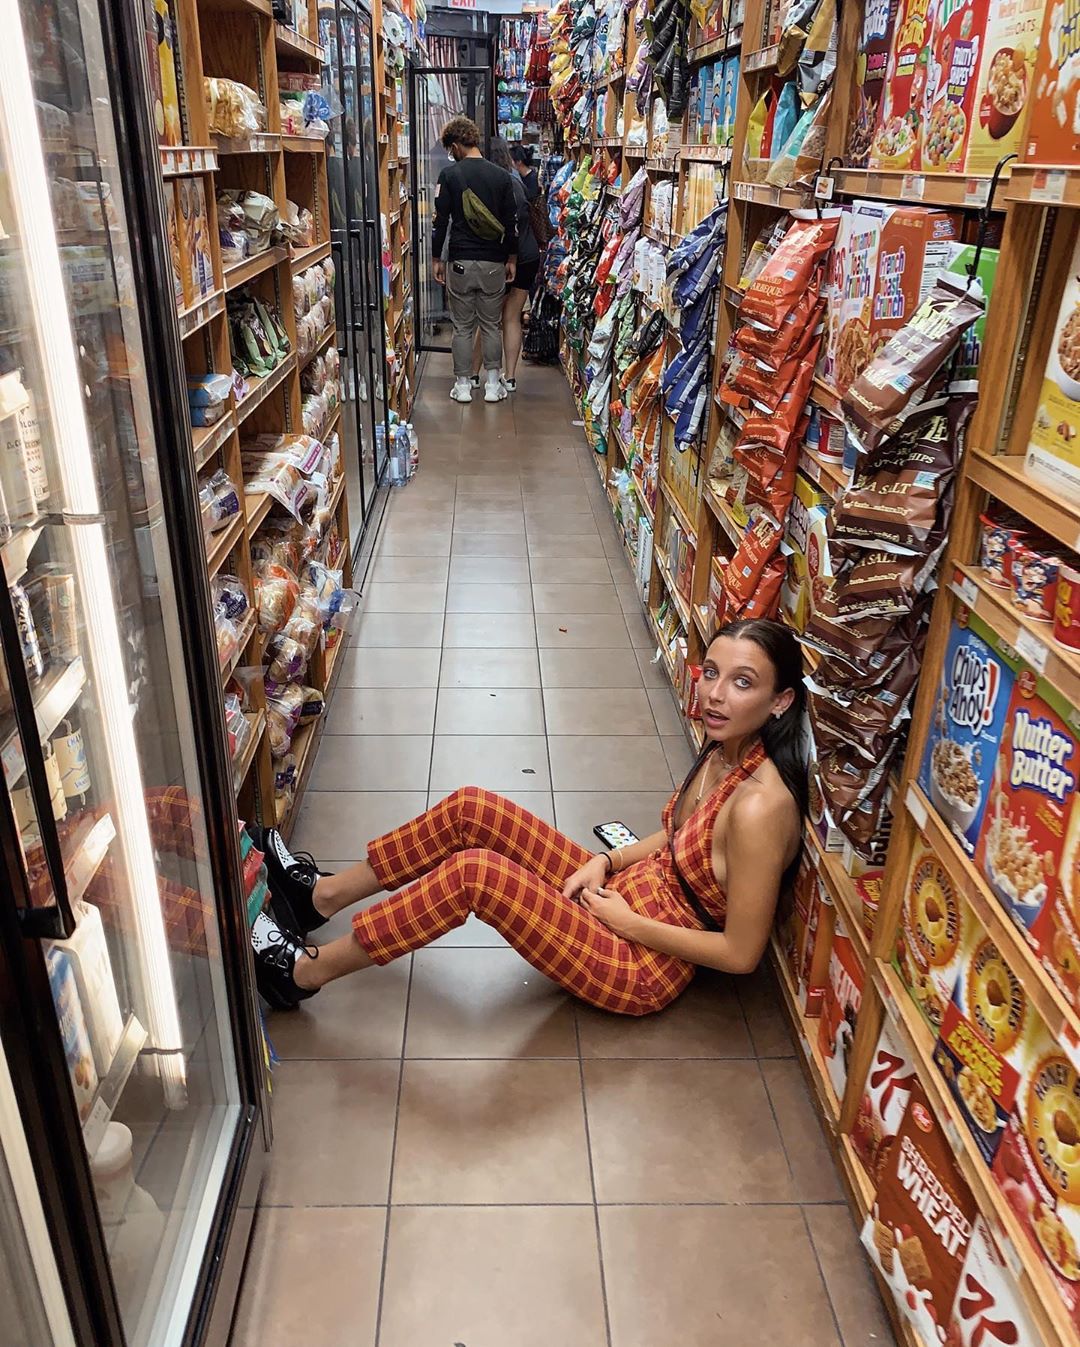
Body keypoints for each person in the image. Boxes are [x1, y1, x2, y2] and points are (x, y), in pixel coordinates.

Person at [249, 619, 806, 1015]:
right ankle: (319, 897)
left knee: (475, 876)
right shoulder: (727, 749)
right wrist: (607, 861)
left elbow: (741, 954)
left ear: (780, 701)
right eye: (711, 673)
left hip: (641, 959)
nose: (714, 695)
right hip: (622, 894)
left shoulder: (760, 807)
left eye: (742, 683)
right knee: (472, 807)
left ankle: (303, 973)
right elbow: (679, 838)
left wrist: (627, 924)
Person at [431, 116, 518, 405]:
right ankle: (492, 385)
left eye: (450, 149)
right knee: (491, 324)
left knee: (462, 326)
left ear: (456, 145)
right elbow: (511, 223)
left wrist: (436, 258)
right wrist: (511, 258)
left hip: (460, 262)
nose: (451, 154)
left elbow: (440, 222)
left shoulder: (449, 176)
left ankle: (463, 385)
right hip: (494, 262)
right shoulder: (502, 176)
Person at [469, 138, 539, 393]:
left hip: (505, 258)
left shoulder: (493, 185)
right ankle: (509, 377)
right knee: (512, 317)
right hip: (529, 255)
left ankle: (474, 375)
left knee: (488, 320)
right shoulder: (517, 181)